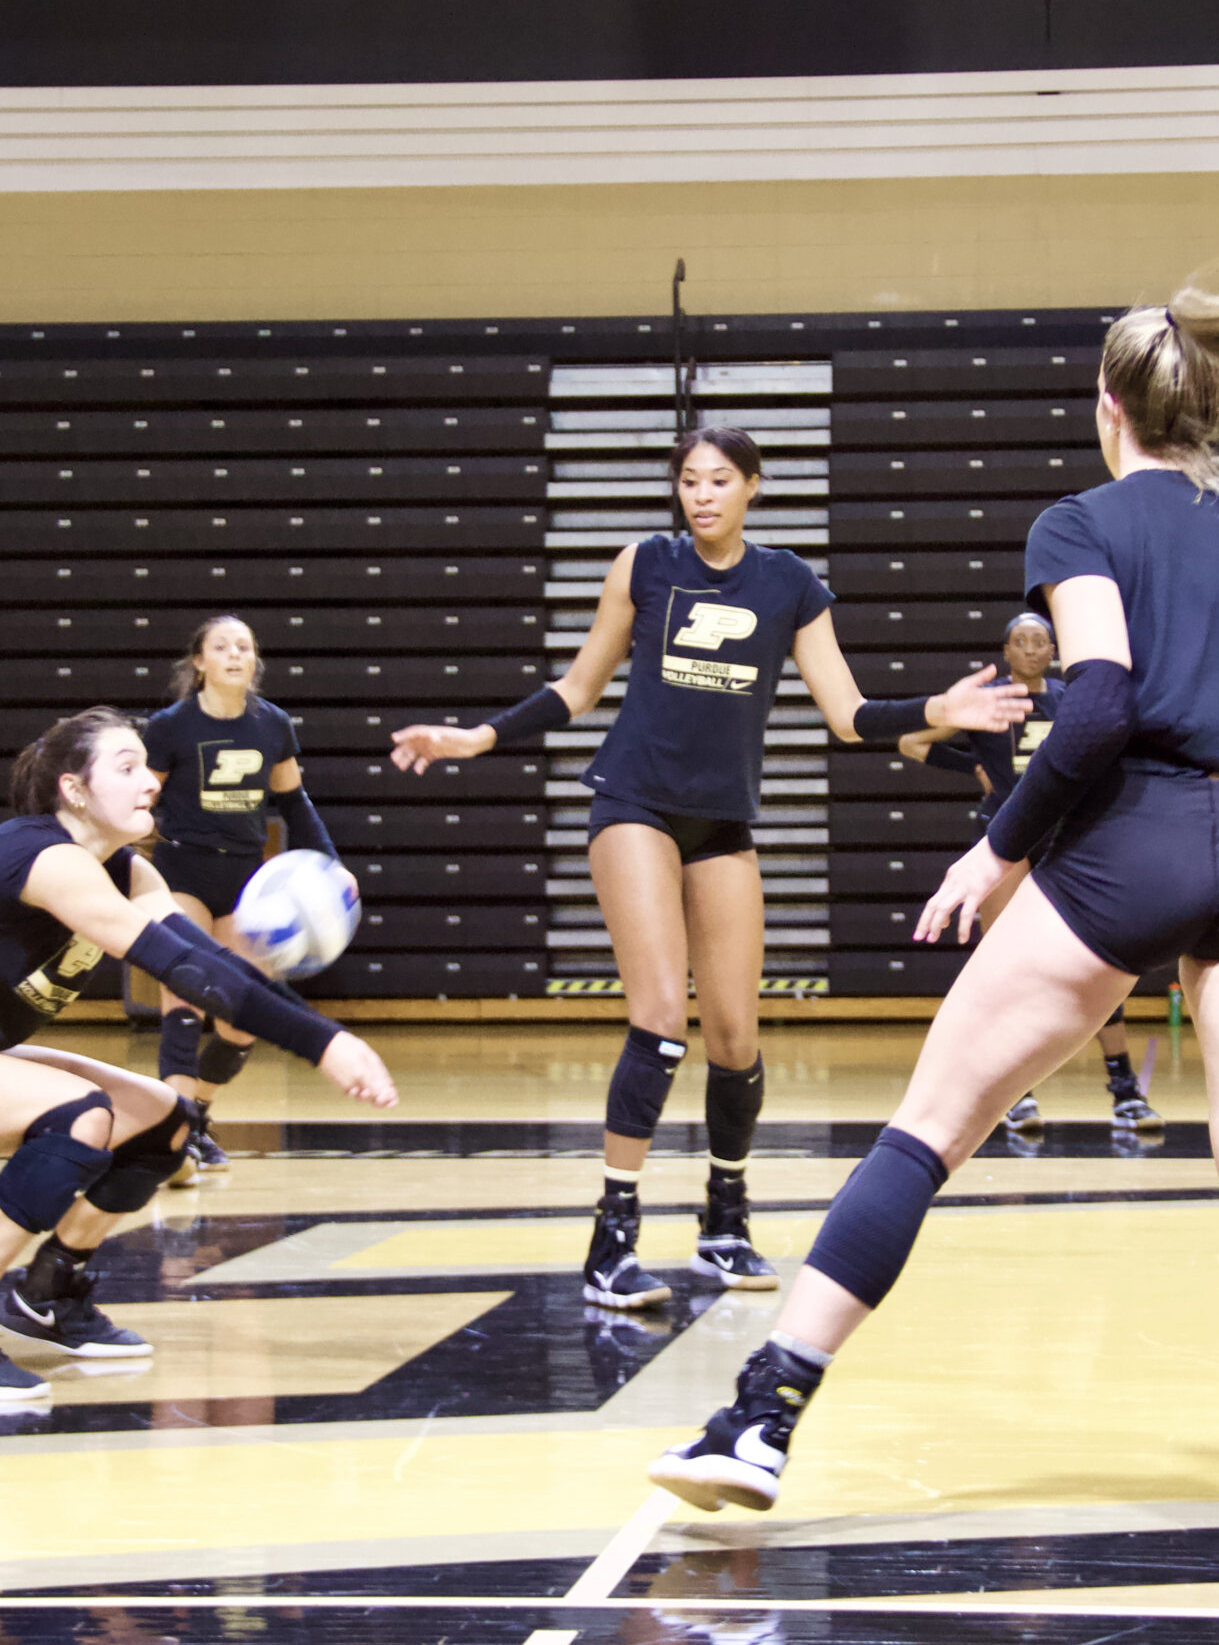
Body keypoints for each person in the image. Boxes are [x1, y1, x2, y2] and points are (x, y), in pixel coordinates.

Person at [645, 290, 1219, 1593]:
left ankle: (763, 1415)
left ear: (1109, 407)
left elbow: (1103, 702)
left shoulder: (1086, 521)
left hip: (1134, 840)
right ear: (1213, 407)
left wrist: (1000, 848)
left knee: (926, 1130)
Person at [391, 426, 1028, 1310]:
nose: (701, 495)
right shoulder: (644, 564)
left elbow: (847, 715)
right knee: (660, 1021)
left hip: (721, 823)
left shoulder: (790, 586)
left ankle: (724, 1222)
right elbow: (578, 690)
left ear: (754, 488)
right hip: (634, 806)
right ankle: (611, 1239)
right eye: (688, 480)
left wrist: (941, 710)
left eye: (719, 480)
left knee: (736, 1036)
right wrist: (479, 736)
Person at [0, 706, 396, 1402]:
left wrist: (327, 1036)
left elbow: (221, 970)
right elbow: (182, 971)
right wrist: (324, 1044)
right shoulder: (44, 857)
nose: (150, 781)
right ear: (74, 790)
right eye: (126, 767)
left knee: (166, 1121)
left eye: (147, 765)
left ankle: (51, 1291)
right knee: (79, 1114)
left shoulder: (131, 874)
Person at [901, 611, 1161, 1133]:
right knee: (1005, 967)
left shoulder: (1069, 699)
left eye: (1040, 642)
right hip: (1005, 840)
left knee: (1095, 964)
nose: (1030, 649)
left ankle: (1124, 1089)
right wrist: (970, 767)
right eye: (1020, 641)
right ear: (1006, 650)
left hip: (1065, 836)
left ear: (1052, 651)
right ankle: (1017, 1096)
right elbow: (911, 741)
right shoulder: (991, 699)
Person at [139, 615, 341, 1182]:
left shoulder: (272, 724)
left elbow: (295, 806)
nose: (235, 655)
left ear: (255, 661)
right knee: (183, 1000)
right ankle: (168, 1138)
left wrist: (332, 868)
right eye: (221, 647)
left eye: (244, 647)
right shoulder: (170, 727)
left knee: (240, 1023)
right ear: (198, 661)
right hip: (180, 872)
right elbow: (139, 801)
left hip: (244, 881)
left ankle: (197, 1115)